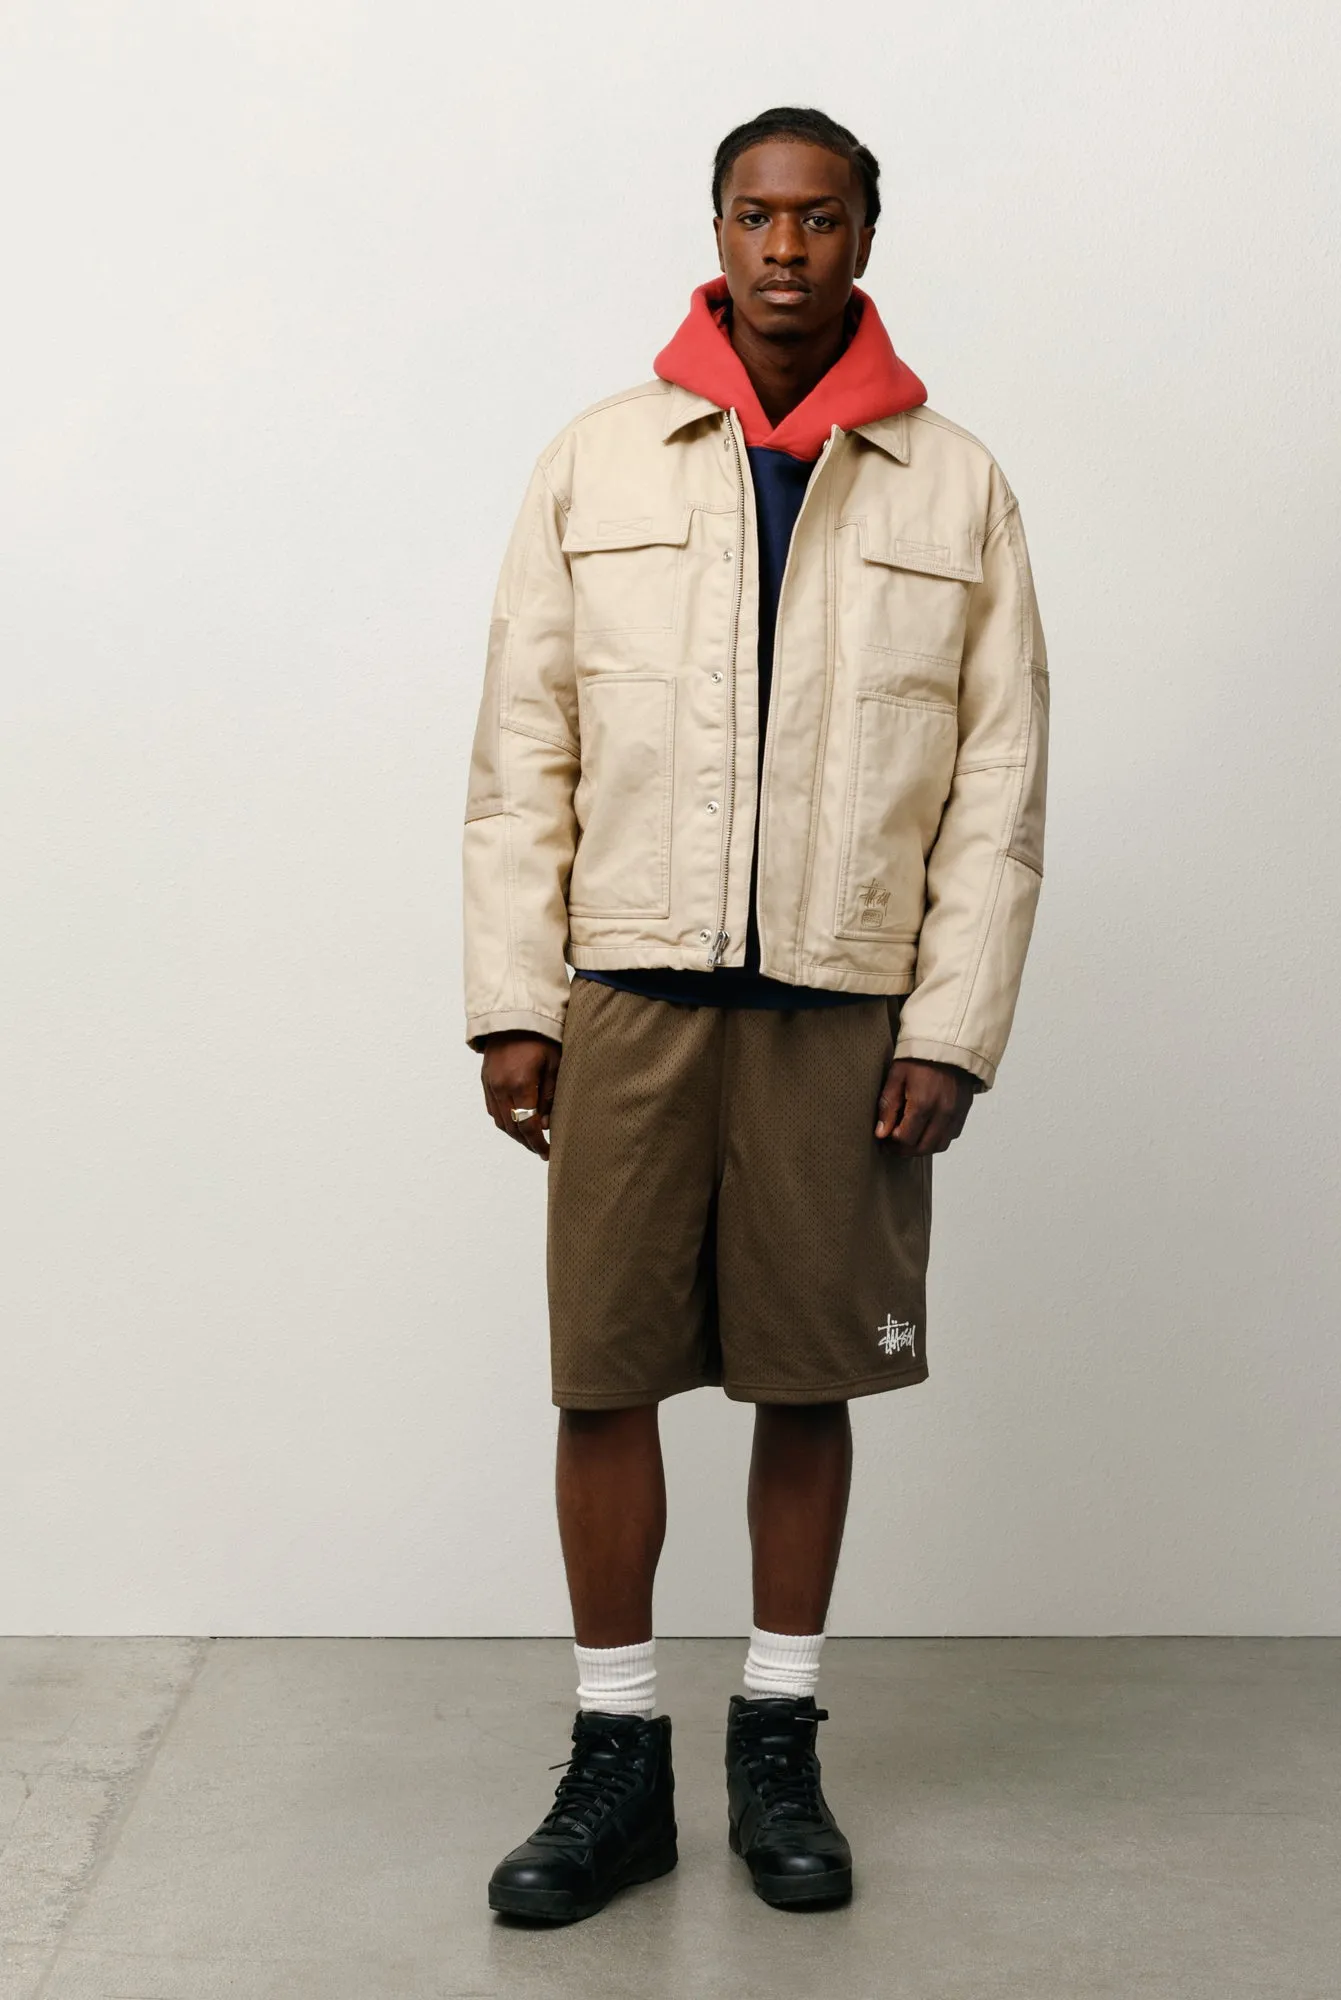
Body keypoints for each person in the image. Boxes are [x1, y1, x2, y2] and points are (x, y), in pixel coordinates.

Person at [463, 105, 1049, 1924]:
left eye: (819, 218)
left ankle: (778, 1744)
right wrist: (513, 1000)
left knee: (810, 1375)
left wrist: (949, 1025)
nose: (785, 248)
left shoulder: (955, 485)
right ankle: (617, 1758)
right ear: (714, 233)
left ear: (866, 235)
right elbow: (524, 751)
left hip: (842, 1011)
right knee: (604, 1375)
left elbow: (1000, 785)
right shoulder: (597, 463)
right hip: (625, 996)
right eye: (753, 215)